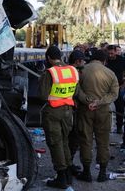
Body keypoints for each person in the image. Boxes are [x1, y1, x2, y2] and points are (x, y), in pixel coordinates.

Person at [39, 46, 80, 189]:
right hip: (68, 111)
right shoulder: (73, 70)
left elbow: (43, 95)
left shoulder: (50, 72)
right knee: (64, 141)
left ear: (49, 57)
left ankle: (61, 177)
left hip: (53, 111)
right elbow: (76, 91)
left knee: (55, 143)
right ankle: (68, 174)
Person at [75, 50, 119, 182]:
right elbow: (114, 94)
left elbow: (76, 90)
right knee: (103, 141)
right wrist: (99, 102)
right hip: (103, 111)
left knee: (85, 140)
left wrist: (88, 101)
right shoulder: (110, 73)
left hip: (85, 110)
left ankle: (87, 172)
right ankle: (102, 173)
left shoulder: (82, 71)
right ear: (104, 60)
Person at [106, 45, 125, 134]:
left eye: (112, 53)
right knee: (103, 107)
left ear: (115, 51)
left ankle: (119, 127)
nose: (110, 55)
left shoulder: (121, 59)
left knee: (120, 108)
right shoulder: (105, 60)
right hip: (105, 87)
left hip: (117, 87)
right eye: (109, 53)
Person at [67, 50, 86, 174]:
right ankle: (67, 166)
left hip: (69, 109)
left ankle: (69, 164)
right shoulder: (73, 72)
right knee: (73, 139)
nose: (84, 62)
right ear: (78, 61)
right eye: (83, 60)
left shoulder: (68, 70)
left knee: (72, 139)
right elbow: (77, 92)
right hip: (71, 110)